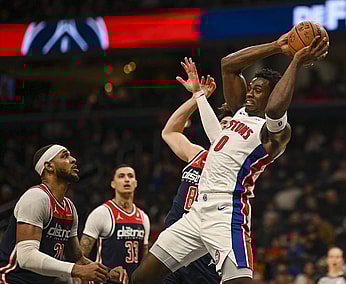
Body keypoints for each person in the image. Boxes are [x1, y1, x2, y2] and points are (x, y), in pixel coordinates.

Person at [132, 33, 329, 284]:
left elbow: (275, 109)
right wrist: (276, 47)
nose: (250, 93)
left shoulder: (273, 133)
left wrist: (295, 62)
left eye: (258, 90)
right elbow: (228, 64)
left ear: (271, 95)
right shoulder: (238, 113)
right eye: (250, 87)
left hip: (228, 212)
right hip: (196, 212)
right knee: (142, 278)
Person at [0, 145, 125, 284]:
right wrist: (76, 270)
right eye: (65, 156)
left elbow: (77, 259)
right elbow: (26, 257)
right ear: (49, 166)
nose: (73, 159)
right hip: (11, 279)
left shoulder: (69, 207)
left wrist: (107, 273)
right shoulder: (36, 197)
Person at [161, 57, 233, 284]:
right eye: (223, 124)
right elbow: (169, 132)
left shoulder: (235, 167)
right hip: (175, 239)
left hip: (205, 249)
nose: (225, 129)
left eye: (231, 127)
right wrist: (196, 98)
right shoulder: (197, 154)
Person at [80, 165, 149, 284]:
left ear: (136, 183)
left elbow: (144, 260)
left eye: (130, 176)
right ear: (113, 184)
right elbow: (80, 257)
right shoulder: (101, 213)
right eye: (121, 176)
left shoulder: (143, 217)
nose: (127, 179)